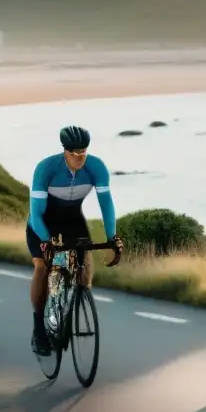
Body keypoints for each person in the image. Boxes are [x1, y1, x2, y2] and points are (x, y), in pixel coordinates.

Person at [27, 125, 122, 356]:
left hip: (72, 221)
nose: (79, 157)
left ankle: (73, 303)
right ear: (64, 151)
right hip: (44, 222)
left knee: (84, 272)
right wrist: (46, 241)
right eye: (74, 153)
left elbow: (106, 203)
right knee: (41, 267)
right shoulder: (46, 168)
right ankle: (39, 329)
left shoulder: (96, 167)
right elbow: (37, 212)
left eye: (83, 152)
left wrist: (112, 238)